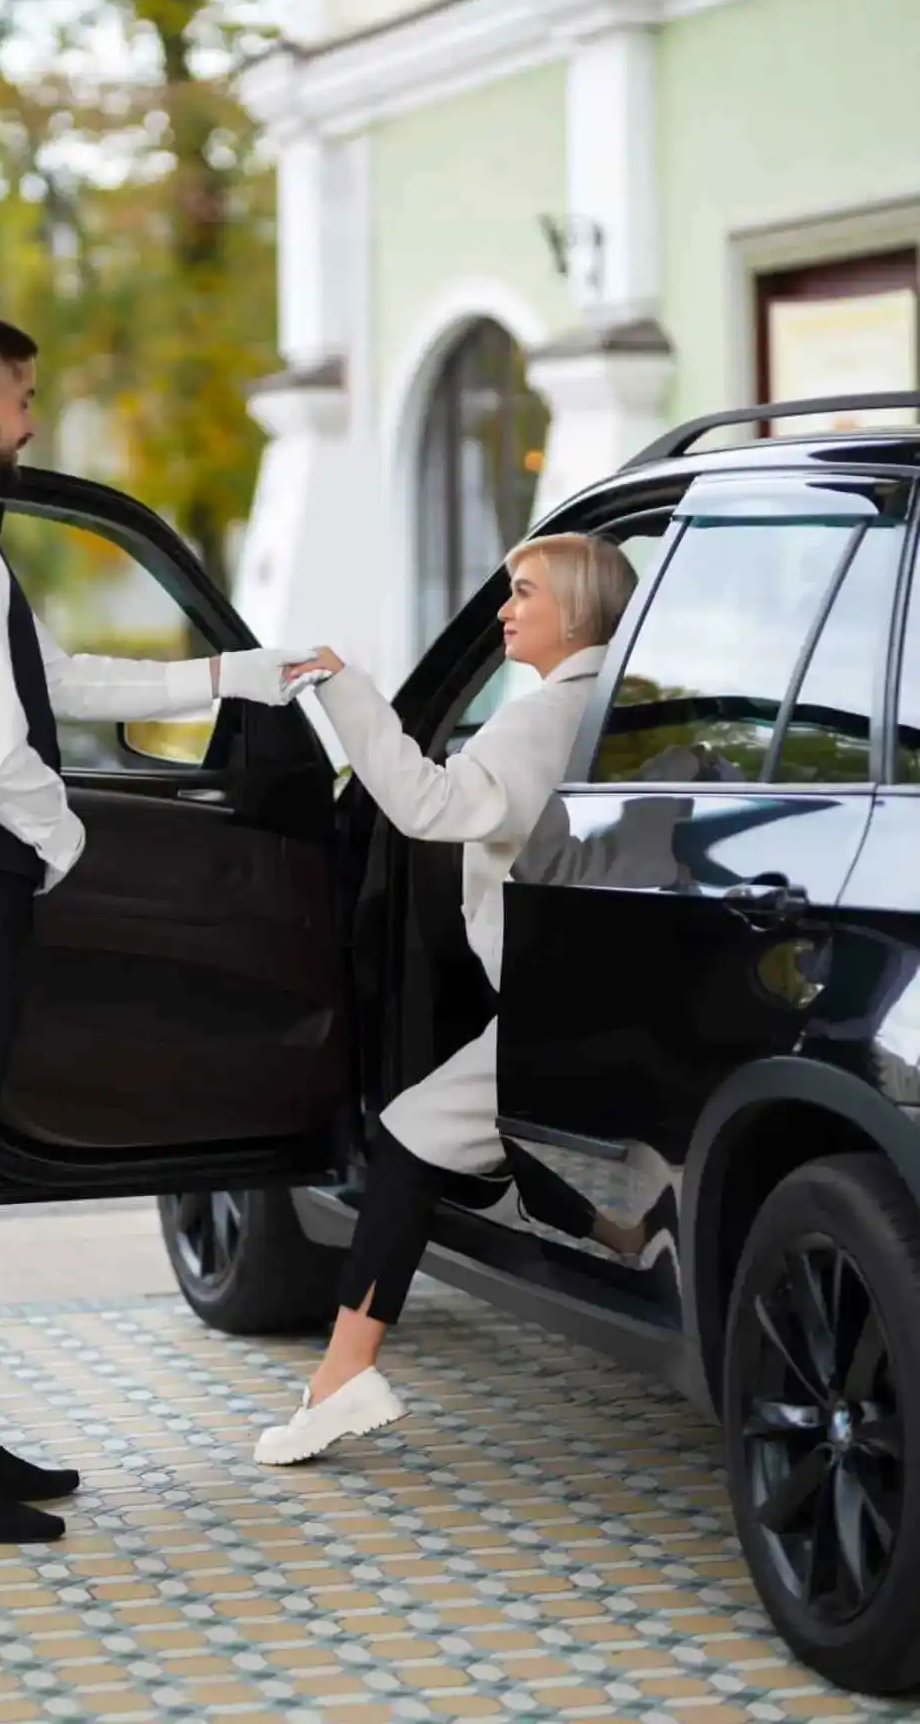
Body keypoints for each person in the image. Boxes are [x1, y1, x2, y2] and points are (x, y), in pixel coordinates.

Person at [0, 309, 316, 1544]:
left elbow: (48, 682)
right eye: (19, 398)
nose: (31, 420)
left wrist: (224, 678)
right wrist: (64, 845)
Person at [255, 532, 643, 1467]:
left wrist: (344, 692)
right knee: (486, 1134)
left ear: (579, 612)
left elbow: (428, 806)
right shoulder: (626, 710)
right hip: (622, 992)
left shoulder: (543, 717)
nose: (505, 611)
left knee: (411, 1134)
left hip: (554, 1010)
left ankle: (344, 1376)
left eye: (522, 593)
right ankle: (629, 1235)